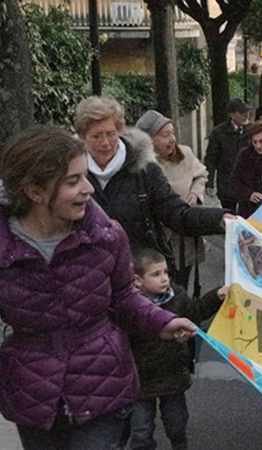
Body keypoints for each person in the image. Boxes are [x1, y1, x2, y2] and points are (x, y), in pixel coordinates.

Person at [0, 127, 196, 450]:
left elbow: (124, 297)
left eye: (85, 175)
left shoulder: (106, 236)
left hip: (103, 387)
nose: (88, 188)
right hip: (32, 393)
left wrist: (161, 320)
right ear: (35, 191)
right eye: (73, 181)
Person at [74, 96, 227, 273]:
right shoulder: (71, 173)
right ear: (82, 137)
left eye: (110, 134)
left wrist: (220, 219)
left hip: (141, 273)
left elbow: (176, 213)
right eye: (96, 136)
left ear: (120, 131)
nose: (105, 143)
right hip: (90, 273)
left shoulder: (145, 170)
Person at [124, 248, 227, 450]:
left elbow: (196, 311)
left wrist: (216, 296)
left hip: (172, 375)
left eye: (165, 272)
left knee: (177, 424)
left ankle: (179, 445)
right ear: (137, 280)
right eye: (156, 274)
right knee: (141, 431)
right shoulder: (129, 307)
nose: (164, 278)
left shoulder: (176, 296)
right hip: (140, 381)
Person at [136, 110, 208, 291]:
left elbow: (201, 175)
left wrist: (195, 193)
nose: (172, 139)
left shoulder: (185, 154)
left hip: (185, 236)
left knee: (182, 284)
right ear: (149, 139)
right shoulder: (141, 167)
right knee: (159, 288)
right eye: (165, 135)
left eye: (172, 133)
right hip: (158, 241)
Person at [205, 97, 250, 211]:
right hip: (227, 183)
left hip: (248, 183)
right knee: (230, 214)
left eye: (247, 111)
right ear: (232, 114)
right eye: (242, 112)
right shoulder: (218, 133)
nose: (246, 115)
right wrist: (209, 182)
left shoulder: (251, 130)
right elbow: (211, 159)